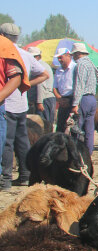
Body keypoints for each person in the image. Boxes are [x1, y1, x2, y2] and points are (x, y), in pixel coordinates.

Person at [1, 23, 47, 188]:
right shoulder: (26, 55)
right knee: (22, 140)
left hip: (7, 103)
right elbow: (45, 74)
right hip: (21, 104)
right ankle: (26, 175)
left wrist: (20, 84)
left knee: (7, 141)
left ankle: (5, 179)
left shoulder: (6, 52)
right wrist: (25, 85)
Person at [0, 36, 29, 190]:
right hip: (16, 107)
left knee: (9, 142)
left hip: (5, 106)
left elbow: (16, 78)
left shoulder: (4, 46)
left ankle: (5, 179)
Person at [69, 43, 98, 153]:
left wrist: (75, 104)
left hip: (84, 99)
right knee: (89, 130)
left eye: (73, 55)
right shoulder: (91, 64)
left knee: (76, 127)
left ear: (77, 54)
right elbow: (97, 79)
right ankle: (88, 152)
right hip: (92, 98)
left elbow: (79, 85)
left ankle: (75, 152)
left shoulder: (81, 65)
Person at [26, 47, 56, 126]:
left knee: (42, 125)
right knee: (47, 124)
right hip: (46, 98)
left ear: (38, 57)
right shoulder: (43, 65)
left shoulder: (38, 66)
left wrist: (39, 102)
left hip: (43, 99)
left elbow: (40, 84)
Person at [53, 47, 75, 132]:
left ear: (68, 56)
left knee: (73, 127)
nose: (59, 60)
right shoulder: (58, 70)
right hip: (62, 100)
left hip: (73, 99)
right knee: (60, 126)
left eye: (60, 57)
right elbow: (54, 87)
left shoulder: (75, 68)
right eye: (58, 58)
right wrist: (60, 99)